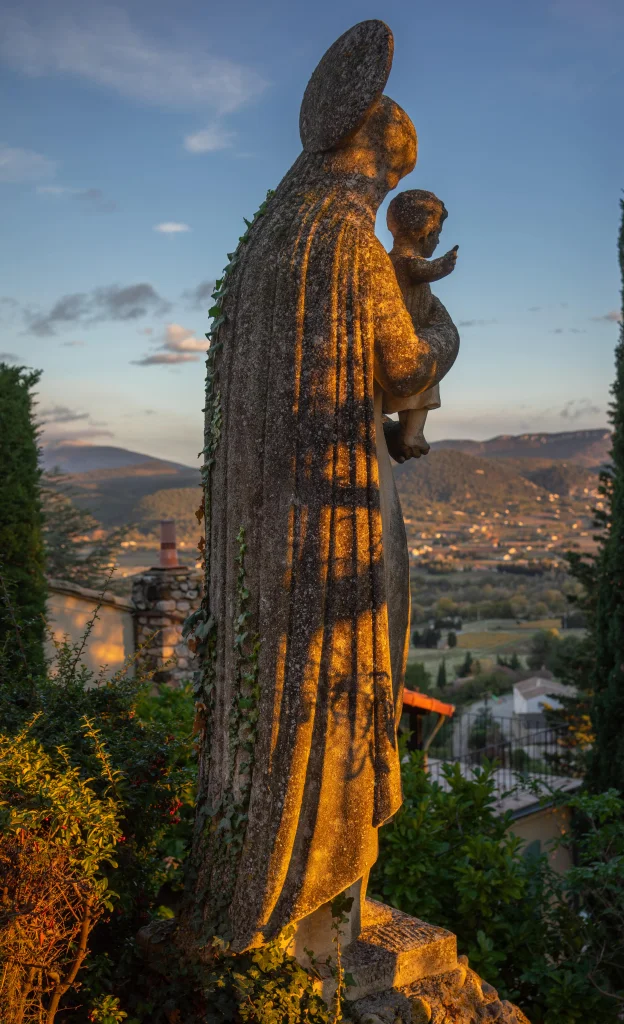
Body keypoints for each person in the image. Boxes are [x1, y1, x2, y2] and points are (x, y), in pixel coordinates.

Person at [185, 20, 460, 954]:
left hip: (264, 516)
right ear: (378, 161)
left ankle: (249, 887)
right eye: (393, 175)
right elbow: (399, 359)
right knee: (337, 667)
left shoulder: (272, 235)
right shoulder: (345, 233)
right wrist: (444, 342)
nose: (389, 195)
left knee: (266, 682)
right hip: (329, 511)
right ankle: (306, 909)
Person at [383, 189, 459, 460]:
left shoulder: (387, 262)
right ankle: (412, 432)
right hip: (410, 336)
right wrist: (444, 265)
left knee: (423, 381)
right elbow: (422, 270)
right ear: (424, 233)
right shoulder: (406, 261)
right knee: (428, 375)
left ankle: (409, 431)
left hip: (408, 334)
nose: (437, 240)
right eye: (437, 234)